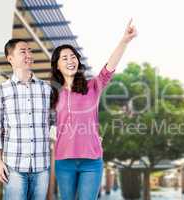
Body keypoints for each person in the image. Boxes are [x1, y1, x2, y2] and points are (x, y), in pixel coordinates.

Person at [50, 19, 137, 200]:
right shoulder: (52, 93)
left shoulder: (92, 87)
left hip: (92, 161)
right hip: (63, 161)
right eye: (64, 58)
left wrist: (124, 41)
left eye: (73, 56)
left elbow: (109, 68)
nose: (70, 60)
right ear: (57, 65)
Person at [0, 39, 53, 200]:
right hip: (14, 166)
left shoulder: (46, 89)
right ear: (10, 58)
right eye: (23, 51)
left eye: (30, 51)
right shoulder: (0, 90)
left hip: (42, 166)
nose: (29, 54)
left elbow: (55, 123)